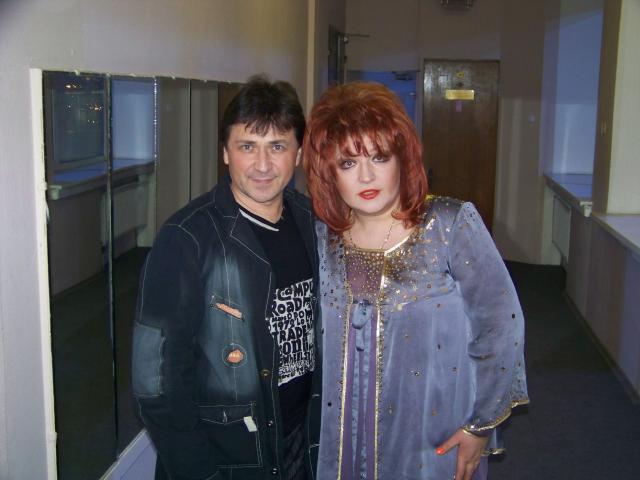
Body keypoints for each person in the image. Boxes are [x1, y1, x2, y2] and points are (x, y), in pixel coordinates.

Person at [302, 82, 528, 480]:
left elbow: (501, 326)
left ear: (402, 158)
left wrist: (480, 425)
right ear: (328, 172)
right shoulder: (322, 238)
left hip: (430, 435)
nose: (366, 175)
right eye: (348, 163)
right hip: (341, 439)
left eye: (379, 157)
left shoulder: (449, 224)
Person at [132, 76, 321, 480]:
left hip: (301, 442)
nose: (263, 165)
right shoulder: (186, 239)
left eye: (277, 146)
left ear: (299, 153)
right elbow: (155, 383)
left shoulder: (312, 221)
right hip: (228, 454)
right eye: (247, 146)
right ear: (225, 152)